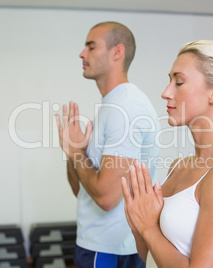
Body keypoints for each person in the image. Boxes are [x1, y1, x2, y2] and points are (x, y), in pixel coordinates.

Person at [121, 40, 213, 267]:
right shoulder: (179, 166)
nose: (165, 93)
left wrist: (148, 228)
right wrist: (138, 225)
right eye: (169, 81)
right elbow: (149, 255)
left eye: (179, 82)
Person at [56, 21, 160, 268]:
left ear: (117, 52)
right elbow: (83, 191)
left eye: (91, 47)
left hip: (110, 251)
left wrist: (77, 152)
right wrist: (73, 153)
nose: (82, 54)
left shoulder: (127, 107)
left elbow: (106, 197)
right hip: (97, 245)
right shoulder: (110, 108)